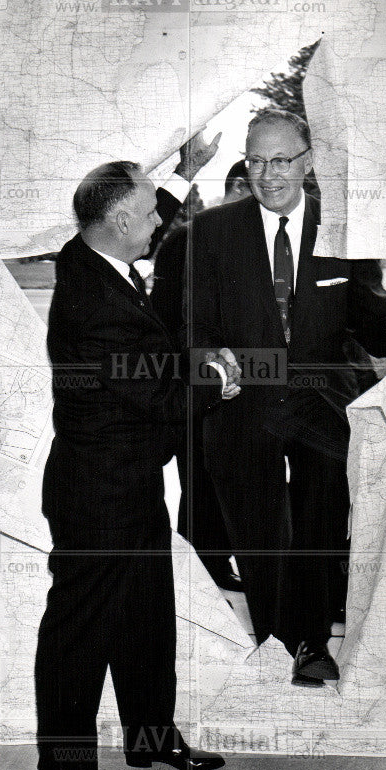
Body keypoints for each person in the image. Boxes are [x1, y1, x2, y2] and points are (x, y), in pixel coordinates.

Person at [186, 109, 386, 687]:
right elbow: (194, 326)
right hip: (242, 404)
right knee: (259, 531)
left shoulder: (342, 229)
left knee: (321, 525)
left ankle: (311, 641)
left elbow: (366, 307)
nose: (266, 174)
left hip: (320, 404)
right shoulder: (213, 233)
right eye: (255, 160)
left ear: (307, 162)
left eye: (280, 160)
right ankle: (276, 636)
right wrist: (210, 358)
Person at [35, 159, 225, 770]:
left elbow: (145, 213)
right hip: (97, 496)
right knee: (80, 632)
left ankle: (151, 738)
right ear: (118, 221)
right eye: (148, 214)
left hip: (128, 482)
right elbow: (166, 398)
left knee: (147, 620)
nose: (159, 223)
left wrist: (179, 172)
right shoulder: (96, 307)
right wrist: (226, 377)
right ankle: (66, 765)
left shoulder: (92, 258)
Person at [150, 161, 252, 592]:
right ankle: (200, 573)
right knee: (200, 483)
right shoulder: (188, 239)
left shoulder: (251, 242)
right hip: (200, 382)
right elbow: (168, 318)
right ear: (239, 187)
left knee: (229, 483)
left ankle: (214, 563)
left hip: (241, 383)